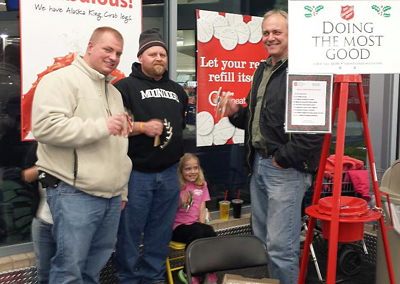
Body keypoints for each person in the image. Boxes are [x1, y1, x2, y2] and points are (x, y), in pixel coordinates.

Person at [219, 10, 324, 284]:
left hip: (285, 171)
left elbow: (315, 133)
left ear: (291, 35)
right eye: (266, 32)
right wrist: (234, 112)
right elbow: (256, 122)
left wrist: (282, 159)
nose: (270, 37)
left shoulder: (304, 70)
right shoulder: (262, 70)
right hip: (259, 166)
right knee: (264, 242)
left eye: (277, 32)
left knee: (281, 248)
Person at [31, 26, 132, 284]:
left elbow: (119, 147)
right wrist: (101, 126)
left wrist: (121, 191)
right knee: (69, 271)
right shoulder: (60, 80)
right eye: (107, 49)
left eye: (118, 53)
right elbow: (44, 127)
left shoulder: (114, 93)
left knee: (91, 271)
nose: (113, 57)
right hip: (74, 193)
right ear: (89, 47)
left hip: (110, 198)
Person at [113, 28, 188, 284]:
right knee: (130, 234)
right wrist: (142, 128)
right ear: (141, 57)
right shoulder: (122, 88)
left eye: (163, 55)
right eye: (153, 54)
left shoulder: (178, 91)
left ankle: (154, 278)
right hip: (136, 175)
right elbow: (112, 130)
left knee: (160, 233)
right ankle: (127, 279)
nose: (159, 58)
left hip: (168, 173)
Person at [172, 153, 217, 284]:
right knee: (198, 233)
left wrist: (203, 225)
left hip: (195, 225)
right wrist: (180, 202)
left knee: (208, 231)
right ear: (181, 171)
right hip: (177, 227)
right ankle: (188, 272)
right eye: (188, 169)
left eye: (195, 168)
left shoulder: (202, 184)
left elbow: (202, 208)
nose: (193, 172)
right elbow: (167, 211)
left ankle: (208, 270)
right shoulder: (177, 186)